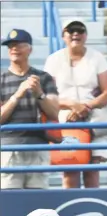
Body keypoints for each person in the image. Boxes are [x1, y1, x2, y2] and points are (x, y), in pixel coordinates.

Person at [44, 19, 107, 189]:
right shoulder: (54, 60)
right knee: (70, 171)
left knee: (92, 171)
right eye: (71, 30)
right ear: (63, 35)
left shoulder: (97, 57)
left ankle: (92, 210)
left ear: (86, 35)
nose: (75, 34)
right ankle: (72, 212)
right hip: (66, 120)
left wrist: (87, 106)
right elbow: (47, 97)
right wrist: (72, 105)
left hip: (94, 120)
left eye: (80, 30)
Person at [1, 29, 60, 190]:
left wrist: (39, 94)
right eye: (10, 46)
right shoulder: (1, 79)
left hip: (38, 146)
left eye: (19, 45)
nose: (14, 49)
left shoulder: (44, 77)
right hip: (9, 149)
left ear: (30, 49)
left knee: (38, 202)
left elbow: (54, 113)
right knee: (9, 200)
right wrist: (17, 95)